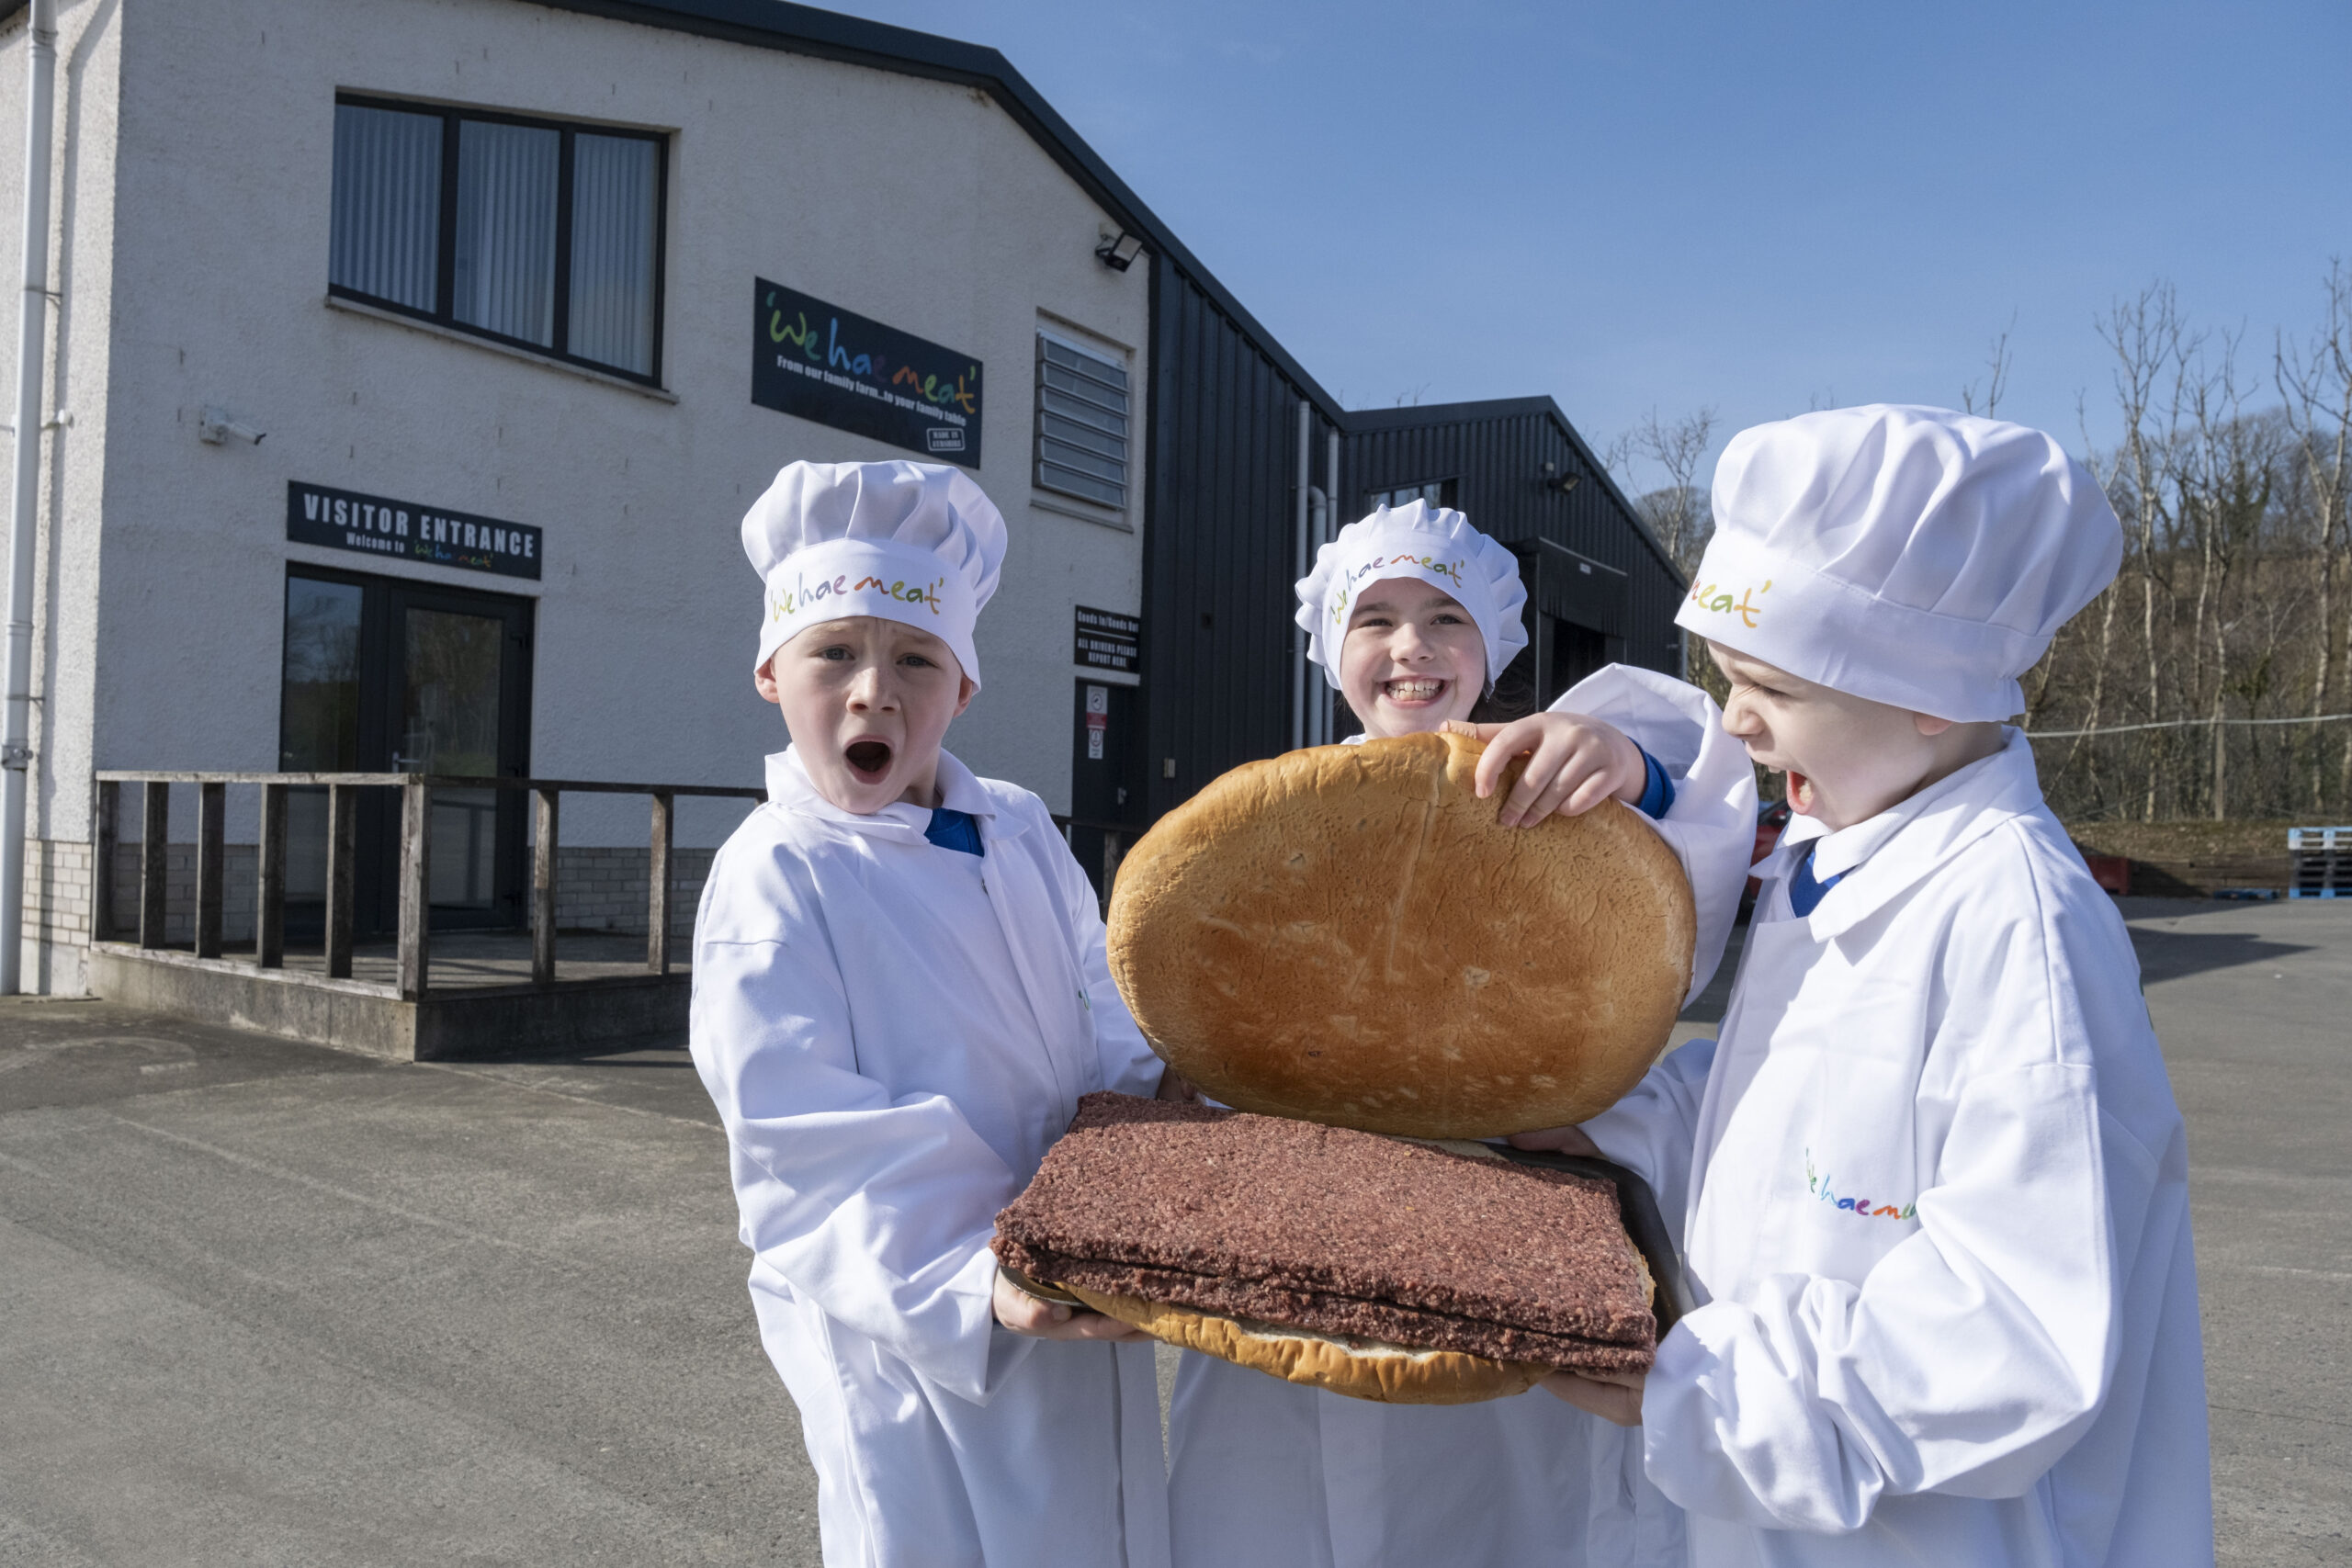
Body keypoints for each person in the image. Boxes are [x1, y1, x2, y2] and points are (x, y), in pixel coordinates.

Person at [1531, 405, 2213, 1566]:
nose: (1736, 726)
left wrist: (1705, 1387)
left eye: (1772, 693)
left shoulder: (2020, 927)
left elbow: (2016, 1331)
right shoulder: (1844, 848)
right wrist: (1613, 1131)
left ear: (1930, 698)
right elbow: (1784, 1103)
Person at [1162, 498, 1757, 1568]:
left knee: (1492, 1518)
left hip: (1510, 1236)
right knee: (1283, 1513)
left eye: (1444, 617)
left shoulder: (1558, 789)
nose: (1410, 648)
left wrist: (1627, 759)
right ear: (1328, 648)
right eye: (1374, 618)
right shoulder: (1268, 828)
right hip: (1300, 1235)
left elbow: (1697, 828)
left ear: (1494, 644)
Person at [688, 460, 1171, 1568]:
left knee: (1095, 1531)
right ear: (771, 673)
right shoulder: (777, 872)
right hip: (916, 1322)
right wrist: (974, 1276)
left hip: (1074, 1279)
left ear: (963, 690)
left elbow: (1097, 992)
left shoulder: (1012, 825)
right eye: (833, 654)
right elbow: (798, 1133)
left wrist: (1152, 1105)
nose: (873, 691)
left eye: (915, 658)